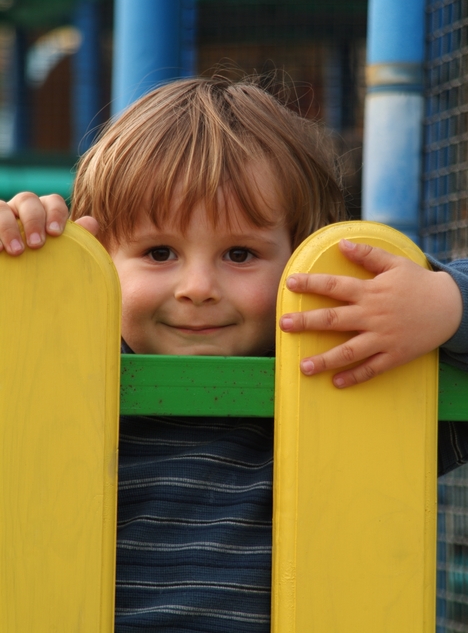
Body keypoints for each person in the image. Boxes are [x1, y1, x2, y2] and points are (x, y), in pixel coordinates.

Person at [1, 76, 468, 631]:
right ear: (98, 260)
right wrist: (24, 264)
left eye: (240, 253)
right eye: (159, 252)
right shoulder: (39, 384)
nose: (197, 286)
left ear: (301, 262)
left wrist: (447, 300)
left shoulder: (354, 374)